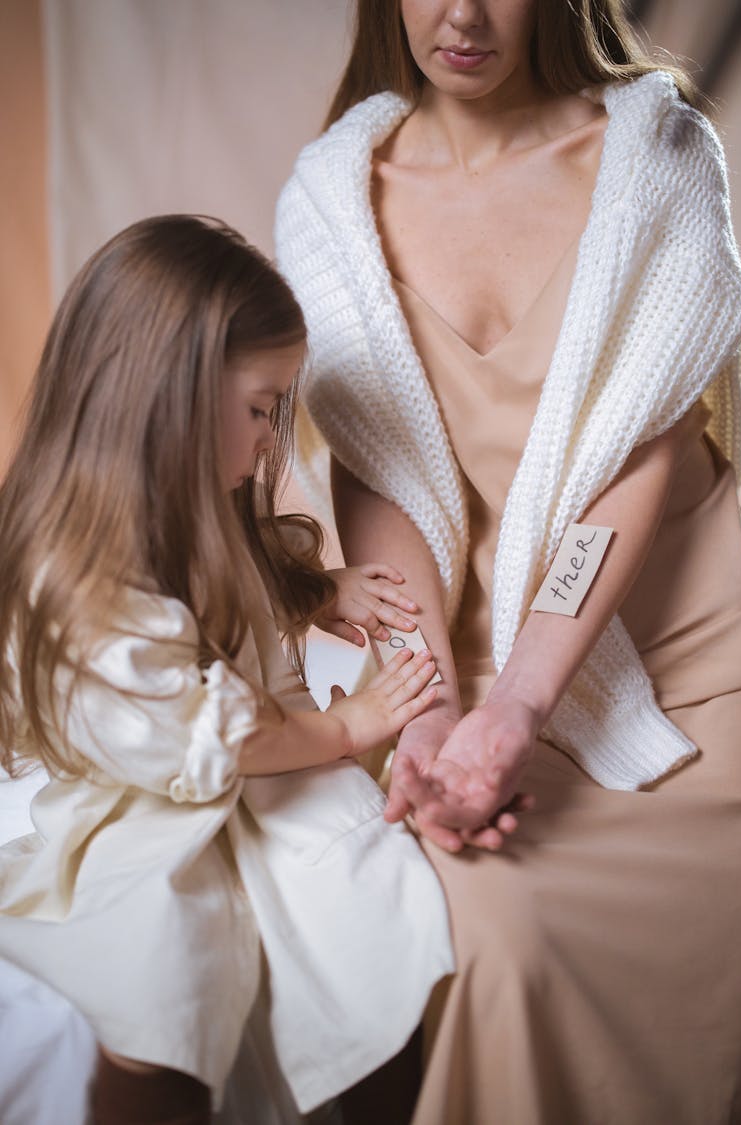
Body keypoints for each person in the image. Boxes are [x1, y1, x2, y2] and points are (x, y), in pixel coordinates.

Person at [274, 1, 741, 1121]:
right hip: (460, 658)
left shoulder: (658, 154)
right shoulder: (334, 199)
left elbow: (644, 453)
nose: (464, 15)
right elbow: (378, 471)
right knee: (495, 938)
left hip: (689, 661)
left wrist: (523, 709)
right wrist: (436, 710)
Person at [0, 215, 455, 1125]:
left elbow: (219, 595)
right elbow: (231, 730)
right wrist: (355, 724)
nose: (266, 440)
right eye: (259, 408)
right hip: (135, 790)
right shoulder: (84, 585)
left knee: (367, 895)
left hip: (217, 757)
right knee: (168, 963)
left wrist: (318, 592)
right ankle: (138, 1098)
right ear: (167, 399)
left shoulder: (177, 501)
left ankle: (396, 1084)